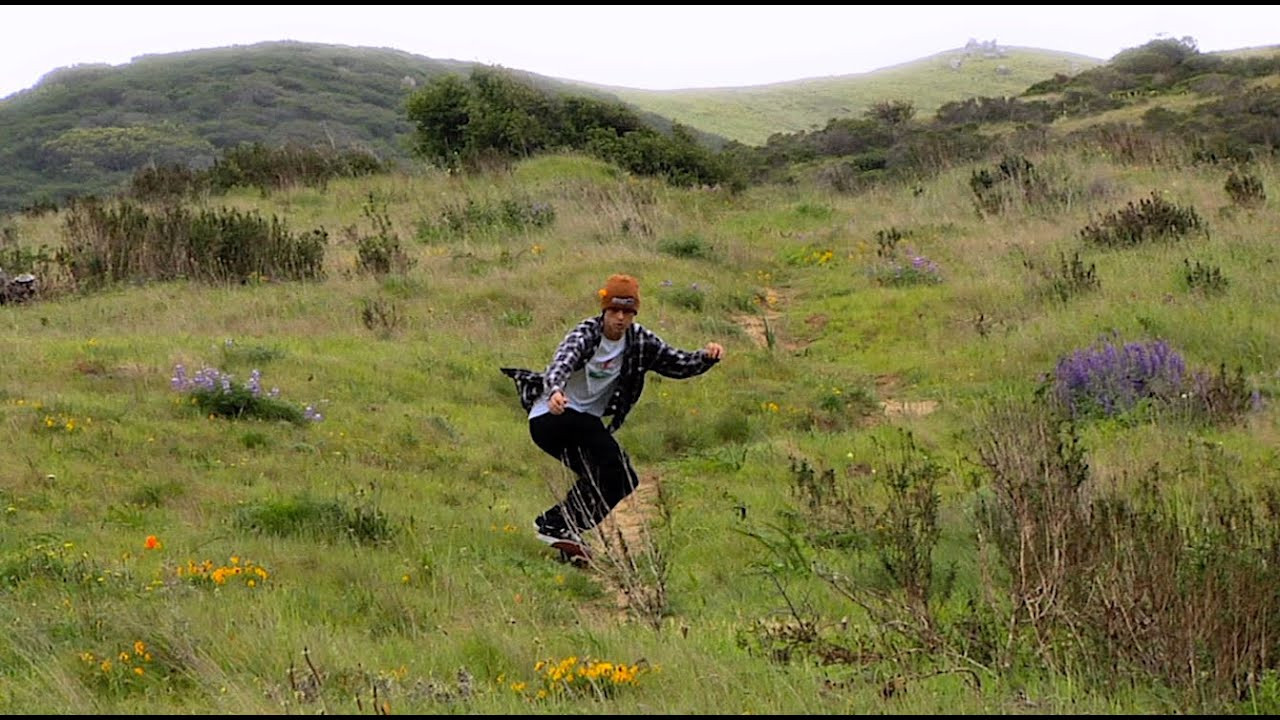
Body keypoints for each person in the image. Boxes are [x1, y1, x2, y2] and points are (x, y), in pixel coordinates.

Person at [501, 273, 724, 560]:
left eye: (627, 312)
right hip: (552, 417)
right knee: (608, 458)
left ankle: (564, 531)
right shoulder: (586, 333)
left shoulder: (640, 341)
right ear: (604, 310)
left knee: (621, 479)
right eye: (614, 311)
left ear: (634, 314)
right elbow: (561, 363)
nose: (619, 318)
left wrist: (706, 357)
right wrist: (555, 390)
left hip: (585, 422)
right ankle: (555, 524)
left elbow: (676, 363)